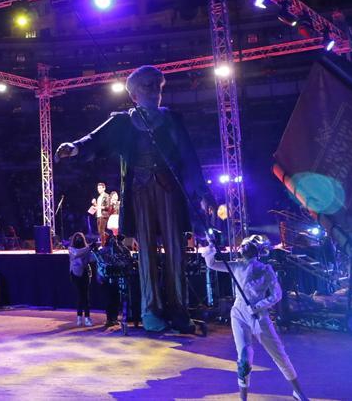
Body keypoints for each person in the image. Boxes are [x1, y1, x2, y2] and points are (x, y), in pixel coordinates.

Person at [57, 65, 213, 333]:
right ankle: (151, 310)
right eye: (148, 86)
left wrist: (203, 193)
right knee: (146, 255)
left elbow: (189, 158)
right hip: (139, 192)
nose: (154, 91)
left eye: (157, 86)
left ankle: (178, 310)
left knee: (176, 251)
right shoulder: (122, 121)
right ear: (134, 94)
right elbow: (95, 139)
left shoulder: (172, 119)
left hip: (169, 190)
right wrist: (75, 147)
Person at [201, 234, 309, 401]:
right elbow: (212, 263)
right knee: (244, 359)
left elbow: (277, 294)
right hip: (238, 314)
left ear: (256, 250)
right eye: (242, 245)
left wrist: (258, 306)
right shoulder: (235, 266)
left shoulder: (265, 270)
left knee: (279, 354)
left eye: (247, 245)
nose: (242, 247)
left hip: (259, 317)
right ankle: (243, 399)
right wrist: (211, 246)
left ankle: (298, 393)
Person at [67, 232, 95, 326]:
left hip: (85, 273)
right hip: (75, 274)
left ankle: (87, 318)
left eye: (80, 238)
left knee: (85, 296)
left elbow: (92, 259)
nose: (78, 240)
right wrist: (89, 247)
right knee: (80, 296)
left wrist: (96, 250)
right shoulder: (71, 249)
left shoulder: (87, 249)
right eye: (76, 238)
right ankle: (79, 318)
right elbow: (77, 253)